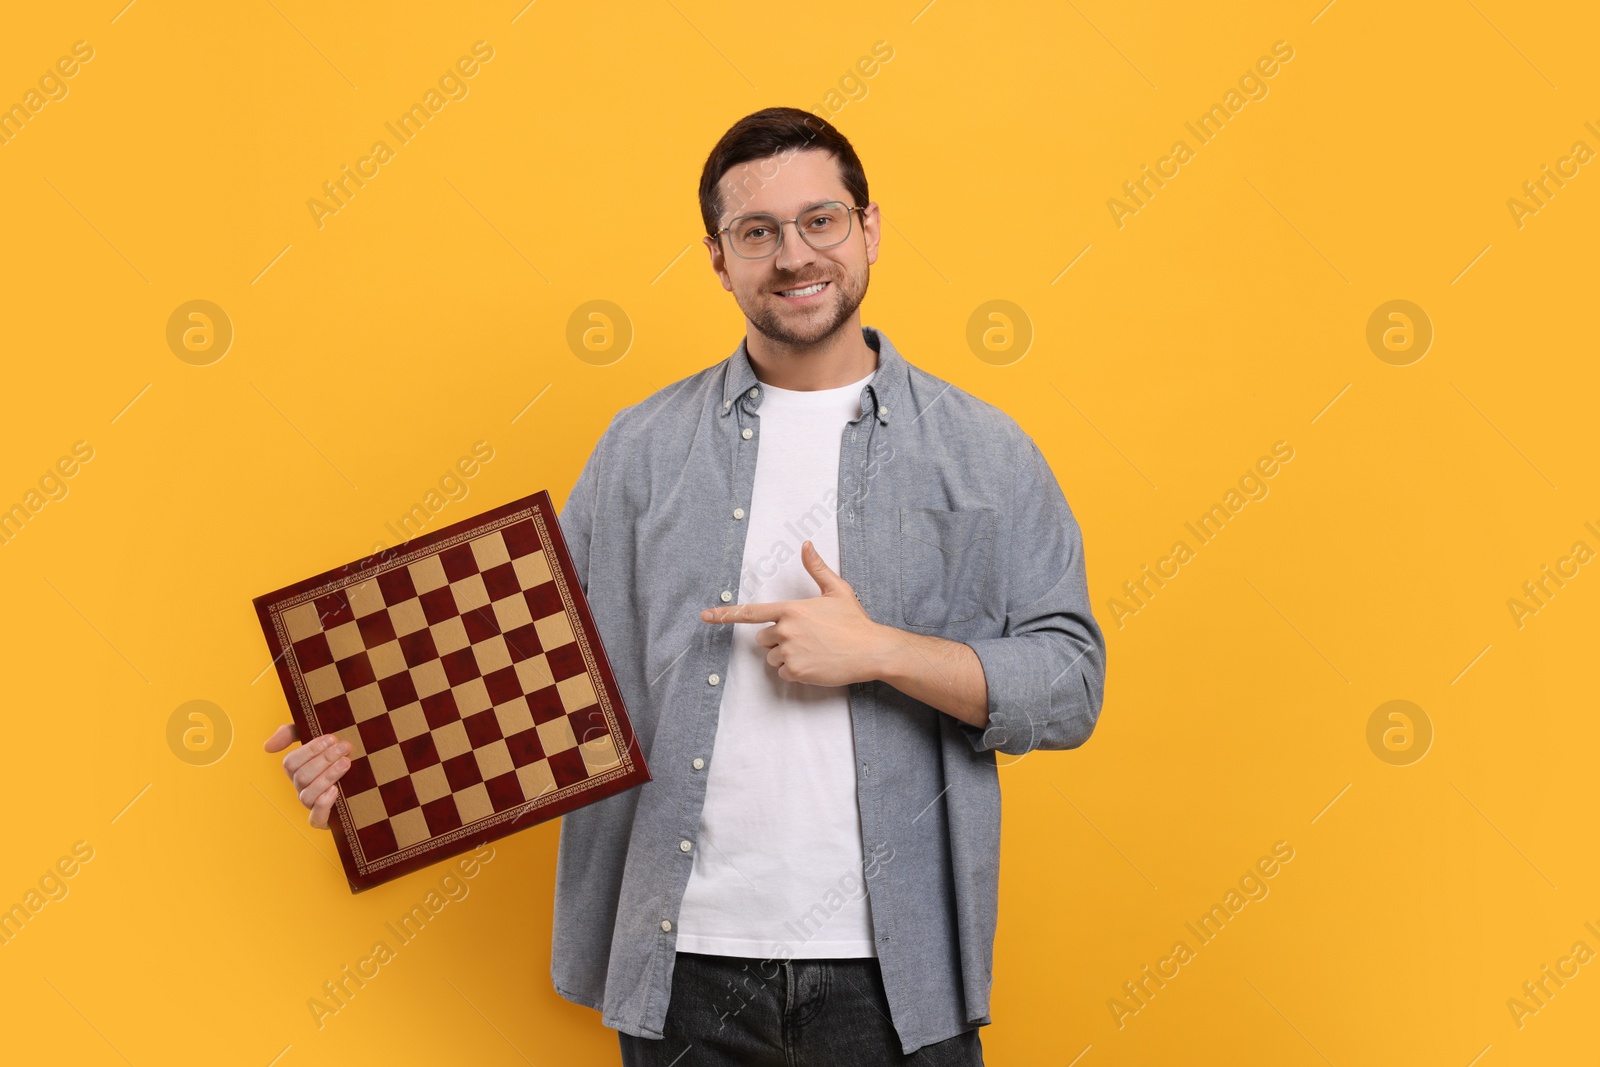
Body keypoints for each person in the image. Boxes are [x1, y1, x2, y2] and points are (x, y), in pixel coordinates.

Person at [265, 106, 1107, 1065]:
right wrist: (366, 742)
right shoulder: (641, 449)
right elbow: (534, 662)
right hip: (683, 971)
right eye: (758, 233)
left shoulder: (986, 451)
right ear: (719, 258)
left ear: (869, 229)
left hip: (901, 976)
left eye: (820, 221)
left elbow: (1070, 684)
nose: (793, 255)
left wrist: (878, 651)